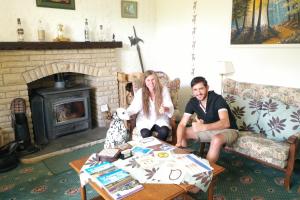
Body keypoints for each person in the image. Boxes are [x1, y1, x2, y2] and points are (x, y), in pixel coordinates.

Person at [176, 76, 238, 163]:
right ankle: (185, 160)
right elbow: (182, 124)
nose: (198, 93)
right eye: (195, 90)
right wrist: (178, 143)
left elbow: (225, 123)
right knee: (183, 132)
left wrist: (203, 127)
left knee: (216, 139)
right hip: (210, 129)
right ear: (192, 90)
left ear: (207, 87)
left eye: (201, 89)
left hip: (229, 130)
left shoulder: (217, 99)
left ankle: (207, 171)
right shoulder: (193, 102)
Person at [126, 70, 174, 141]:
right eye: (148, 80)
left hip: (160, 119)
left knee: (164, 131)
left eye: (153, 80)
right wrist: (125, 113)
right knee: (145, 133)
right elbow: (134, 107)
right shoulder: (140, 93)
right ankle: (154, 148)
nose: (151, 82)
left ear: (156, 80)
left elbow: (169, 106)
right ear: (145, 82)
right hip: (145, 120)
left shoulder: (164, 90)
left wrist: (165, 109)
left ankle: (156, 147)